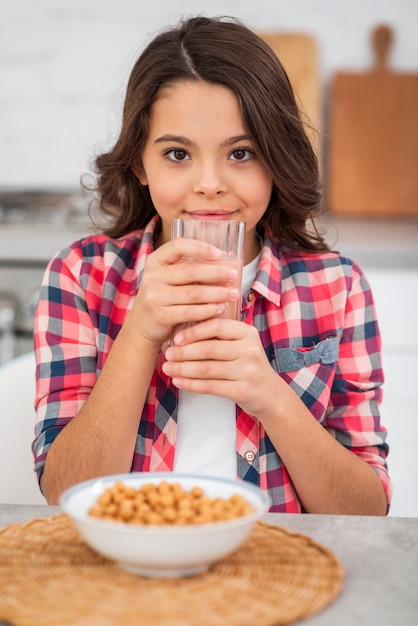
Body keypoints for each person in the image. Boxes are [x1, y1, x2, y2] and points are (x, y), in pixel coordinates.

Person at [33, 15, 391, 514]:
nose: (209, 184)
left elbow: (366, 512)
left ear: (276, 157)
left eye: (241, 153)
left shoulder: (337, 286)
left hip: (279, 575)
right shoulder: (79, 277)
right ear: (139, 162)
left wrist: (269, 394)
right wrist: (139, 332)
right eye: (177, 153)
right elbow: (64, 492)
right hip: (128, 575)